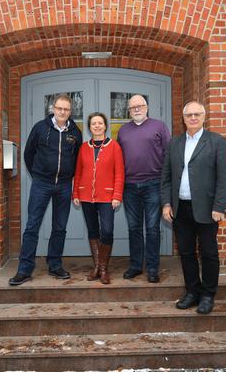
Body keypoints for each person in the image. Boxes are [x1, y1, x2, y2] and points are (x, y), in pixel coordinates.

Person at [160, 101, 226, 314]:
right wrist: (166, 203)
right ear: (183, 119)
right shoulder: (175, 143)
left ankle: (208, 295)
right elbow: (165, 177)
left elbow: (225, 177)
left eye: (197, 114)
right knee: (186, 252)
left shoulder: (217, 142)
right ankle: (192, 291)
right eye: (189, 115)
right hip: (180, 209)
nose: (193, 118)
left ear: (204, 117)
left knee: (209, 253)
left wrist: (220, 206)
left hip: (208, 209)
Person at [9, 94, 82, 286]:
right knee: (32, 225)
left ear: (70, 111)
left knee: (60, 227)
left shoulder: (75, 132)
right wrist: (38, 175)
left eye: (66, 109)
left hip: (64, 185)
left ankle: (55, 264)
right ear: (53, 108)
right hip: (42, 184)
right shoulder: (40, 128)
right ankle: (25, 269)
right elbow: (28, 153)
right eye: (59, 108)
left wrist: (70, 176)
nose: (62, 112)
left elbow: (78, 158)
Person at [117, 94, 170, 283]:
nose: (137, 109)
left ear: (147, 107)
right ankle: (135, 266)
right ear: (129, 111)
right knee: (134, 228)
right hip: (129, 186)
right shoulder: (123, 130)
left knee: (153, 229)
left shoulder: (159, 127)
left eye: (140, 106)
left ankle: (153, 268)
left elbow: (168, 156)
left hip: (153, 184)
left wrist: (166, 185)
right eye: (133, 107)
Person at [73, 112, 124, 284]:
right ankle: (97, 267)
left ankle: (103, 267)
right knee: (93, 231)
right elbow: (78, 172)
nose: (97, 126)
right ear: (89, 127)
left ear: (105, 126)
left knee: (107, 231)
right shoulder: (83, 148)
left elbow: (119, 173)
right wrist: (76, 193)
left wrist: (117, 195)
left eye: (100, 123)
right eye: (93, 123)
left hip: (107, 197)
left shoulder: (114, 146)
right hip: (86, 196)